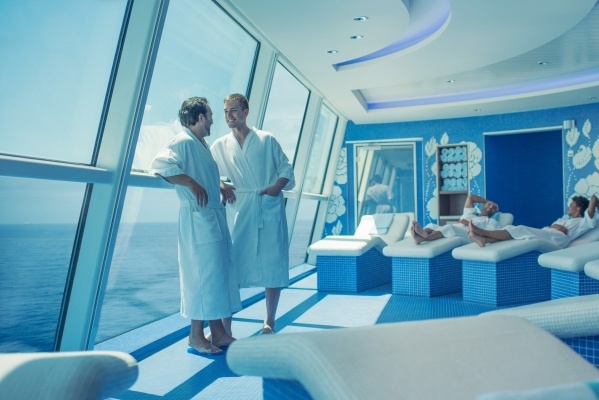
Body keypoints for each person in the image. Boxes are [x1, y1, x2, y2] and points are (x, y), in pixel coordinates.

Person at [149, 97, 241, 356]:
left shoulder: (200, 144)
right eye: (210, 115)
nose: (213, 119)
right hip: (197, 219)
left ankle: (218, 333)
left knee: (216, 276)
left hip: (210, 217)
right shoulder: (182, 142)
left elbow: (203, 172)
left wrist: (219, 185)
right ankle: (196, 336)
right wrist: (190, 182)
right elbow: (160, 165)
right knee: (202, 277)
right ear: (200, 117)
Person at [211, 93, 295, 335]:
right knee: (232, 266)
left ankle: (269, 322)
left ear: (245, 112)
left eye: (233, 110)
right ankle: (225, 327)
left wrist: (276, 188)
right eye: (226, 111)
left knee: (273, 263)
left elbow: (286, 169)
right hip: (241, 209)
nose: (229, 115)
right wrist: (221, 185)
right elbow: (208, 170)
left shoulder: (266, 139)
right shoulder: (220, 145)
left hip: (268, 204)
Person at [468, 194, 599, 248]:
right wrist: (556, 226)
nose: (568, 207)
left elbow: (594, 199)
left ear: (579, 208)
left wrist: (593, 202)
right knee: (518, 235)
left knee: (519, 229)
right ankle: (485, 240)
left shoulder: (584, 222)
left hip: (558, 239)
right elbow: (553, 225)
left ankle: (483, 232)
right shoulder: (565, 219)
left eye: (571, 205)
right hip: (549, 233)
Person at [411, 193, 500, 245]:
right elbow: (471, 197)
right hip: (457, 228)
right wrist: (487, 201)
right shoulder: (470, 213)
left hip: (467, 235)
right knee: (432, 225)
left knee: (449, 227)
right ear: (482, 206)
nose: (490, 207)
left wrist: (468, 224)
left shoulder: (491, 221)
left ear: (495, 212)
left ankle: (424, 238)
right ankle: (419, 236)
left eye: (494, 208)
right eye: (489, 205)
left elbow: (488, 235)